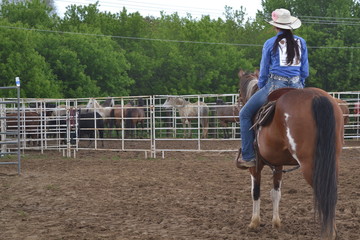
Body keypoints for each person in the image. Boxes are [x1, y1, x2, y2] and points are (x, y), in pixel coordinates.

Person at [236, 8, 309, 168]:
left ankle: (248, 156)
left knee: (245, 114)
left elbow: (264, 71)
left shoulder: (270, 43)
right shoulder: (301, 42)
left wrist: (263, 86)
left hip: (275, 86)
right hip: (297, 87)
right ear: (290, 25)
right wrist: (299, 86)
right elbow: (305, 71)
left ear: (276, 26)